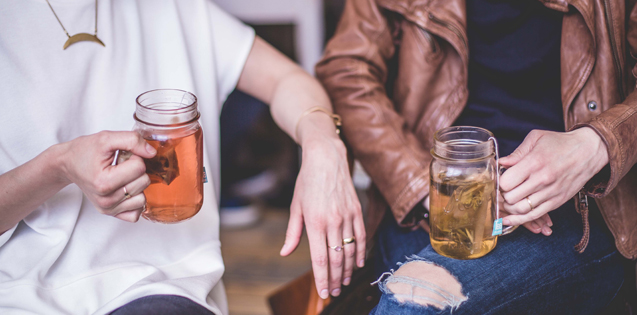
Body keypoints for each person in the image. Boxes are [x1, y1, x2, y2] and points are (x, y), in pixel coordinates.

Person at [0, 0, 364, 313]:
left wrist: (322, 143)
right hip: (21, 295)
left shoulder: (172, 8)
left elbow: (286, 78)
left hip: (159, 287)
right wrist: (59, 166)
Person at [316, 0, 637, 313]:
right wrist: (426, 184)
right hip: (430, 199)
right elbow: (348, 70)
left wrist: (595, 144)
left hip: (571, 205)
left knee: (412, 307)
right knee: (410, 300)